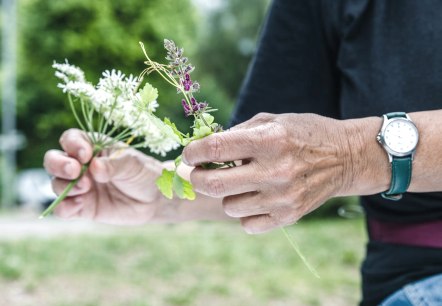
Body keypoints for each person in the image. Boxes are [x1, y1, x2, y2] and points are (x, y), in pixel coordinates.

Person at [43, 0, 442, 305]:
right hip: (413, 276)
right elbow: (267, 164)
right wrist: (160, 195)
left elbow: (329, 155)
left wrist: (355, 155)